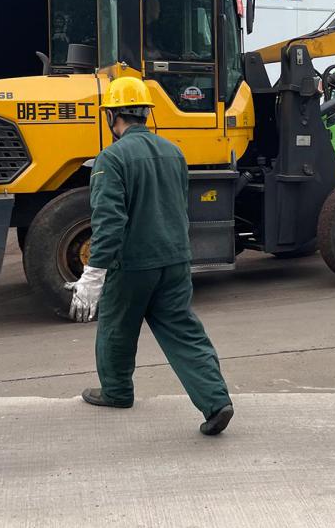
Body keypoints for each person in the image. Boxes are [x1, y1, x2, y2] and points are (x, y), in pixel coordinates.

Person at [68, 76, 234, 436]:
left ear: (112, 115)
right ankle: (215, 401)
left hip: (133, 264)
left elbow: (109, 221)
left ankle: (116, 392)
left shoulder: (111, 159)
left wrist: (94, 273)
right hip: (175, 259)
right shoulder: (173, 152)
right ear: (145, 112)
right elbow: (178, 207)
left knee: (116, 327)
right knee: (184, 331)